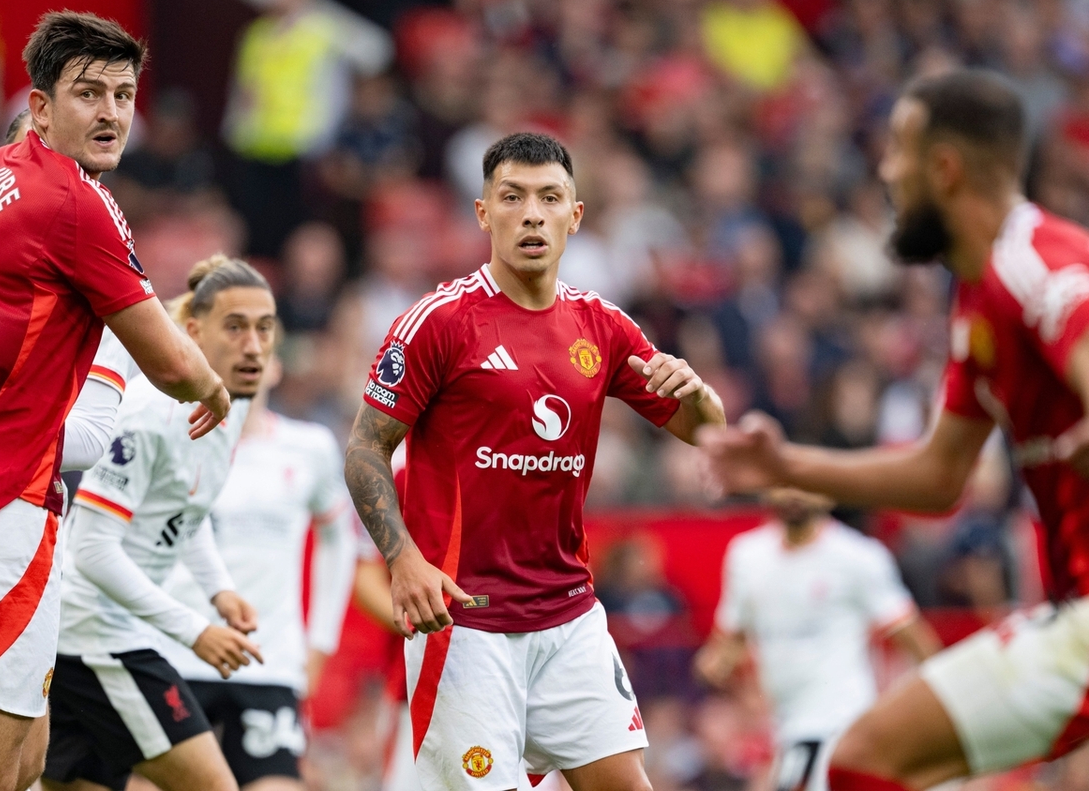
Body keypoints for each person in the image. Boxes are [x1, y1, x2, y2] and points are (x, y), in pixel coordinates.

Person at [700, 68, 1089, 791]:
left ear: (944, 168)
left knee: (867, 757)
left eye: (897, 151)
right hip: (1072, 612)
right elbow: (939, 476)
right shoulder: (978, 299)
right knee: (867, 758)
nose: (885, 172)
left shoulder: (1033, 265)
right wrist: (784, 467)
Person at [0, 12, 232, 791]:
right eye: (88, 94)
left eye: (123, 95)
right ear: (40, 107)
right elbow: (171, 361)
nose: (111, 113)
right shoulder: (80, 203)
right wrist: (210, 386)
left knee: (19, 761)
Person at [344, 131, 726, 791]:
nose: (531, 215)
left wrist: (697, 393)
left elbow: (707, 431)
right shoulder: (438, 322)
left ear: (574, 217)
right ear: (483, 213)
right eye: (512, 197)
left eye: (549, 198)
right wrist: (403, 558)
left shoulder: (601, 325)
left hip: (569, 616)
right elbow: (364, 448)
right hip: (465, 624)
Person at [41, 256, 275, 791]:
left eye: (264, 328)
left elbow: (183, 512)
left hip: (96, 635)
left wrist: (218, 588)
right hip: (97, 637)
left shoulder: (229, 409)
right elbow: (92, 550)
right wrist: (195, 631)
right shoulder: (149, 414)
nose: (254, 346)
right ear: (192, 331)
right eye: (235, 327)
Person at [152, 349, 358, 791]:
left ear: (276, 366)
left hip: (269, 662)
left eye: (262, 336)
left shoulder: (310, 447)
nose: (246, 350)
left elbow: (339, 541)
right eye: (232, 335)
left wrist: (320, 643)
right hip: (176, 655)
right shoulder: (169, 436)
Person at [694, 488, 941, 791]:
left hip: (840, 720)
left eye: (804, 483)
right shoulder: (746, 556)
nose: (793, 494)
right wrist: (716, 664)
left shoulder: (858, 556)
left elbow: (912, 635)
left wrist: (940, 705)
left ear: (826, 493)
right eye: (783, 483)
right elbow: (731, 638)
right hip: (783, 725)